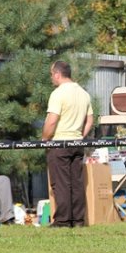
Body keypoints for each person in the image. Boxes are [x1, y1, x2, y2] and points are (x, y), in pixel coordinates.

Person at [42, 60, 94, 228]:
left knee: (61, 183)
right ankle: (78, 220)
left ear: (57, 74)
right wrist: (79, 135)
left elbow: (51, 122)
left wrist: (45, 139)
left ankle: (62, 221)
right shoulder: (83, 93)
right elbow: (89, 120)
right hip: (77, 142)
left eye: (51, 75)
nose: (51, 78)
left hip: (59, 143)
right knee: (77, 183)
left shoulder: (58, 93)